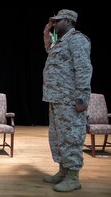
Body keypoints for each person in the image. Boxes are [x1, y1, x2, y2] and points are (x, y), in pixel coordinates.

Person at [42, 9, 93, 192]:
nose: (54, 24)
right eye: (53, 21)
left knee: (71, 137)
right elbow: (49, 50)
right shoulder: (60, 43)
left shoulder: (77, 40)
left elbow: (83, 69)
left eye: (57, 21)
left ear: (68, 22)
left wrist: (82, 97)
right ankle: (63, 171)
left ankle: (73, 178)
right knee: (58, 138)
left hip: (70, 101)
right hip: (56, 99)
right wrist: (46, 33)